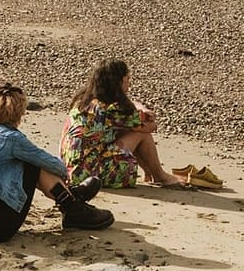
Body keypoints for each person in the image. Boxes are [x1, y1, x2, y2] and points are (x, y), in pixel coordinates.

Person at [0, 80, 114, 238]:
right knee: (33, 165)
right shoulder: (12, 139)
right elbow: (54, 165)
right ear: (19, 112)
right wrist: (65, 175)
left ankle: (71, 200)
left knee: (22, 163)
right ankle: (72, 206)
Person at [61, 59, 190, 189]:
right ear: (118, 83)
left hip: (72, 171)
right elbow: (150, 126)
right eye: (127, 79)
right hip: (92, 175)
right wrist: (145, 112)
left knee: (122, 130)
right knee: (140, 134)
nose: (129, 84)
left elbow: (132, 108)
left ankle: (150, 172)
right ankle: (160, 176)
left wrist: (141, 108)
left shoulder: (84, 101)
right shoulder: (113, 109)